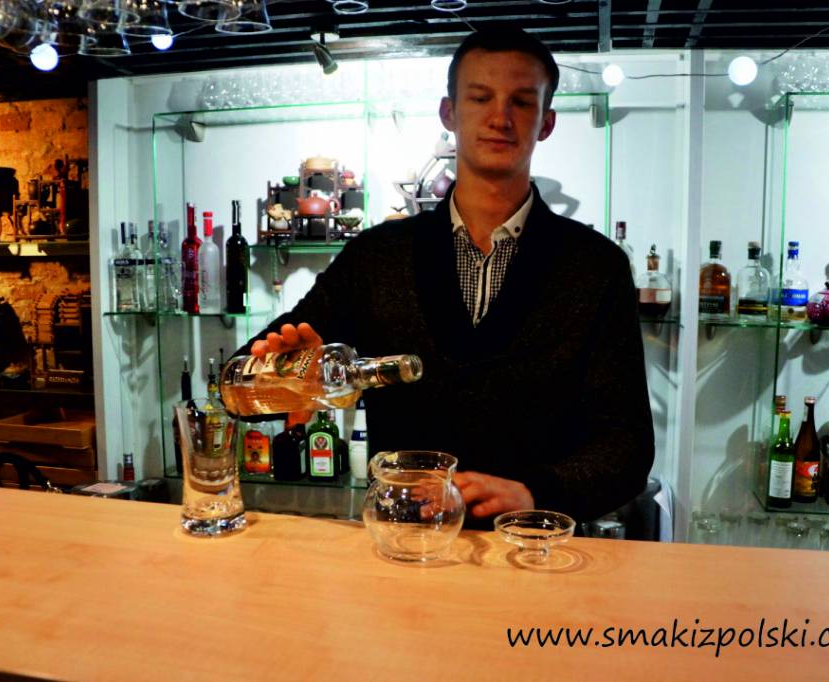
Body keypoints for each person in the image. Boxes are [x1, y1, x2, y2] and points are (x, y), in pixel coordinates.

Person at [236, 28, 654, 524]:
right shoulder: (377, 256)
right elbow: (242, 386)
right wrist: (281, 374)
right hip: (406, 541)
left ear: (546, 122)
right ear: (448, 113)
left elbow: (627, 447)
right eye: (480, 98)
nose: (500, 118)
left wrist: (534, 492)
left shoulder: (595, 267)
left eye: (522, 102)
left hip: (534, 546)